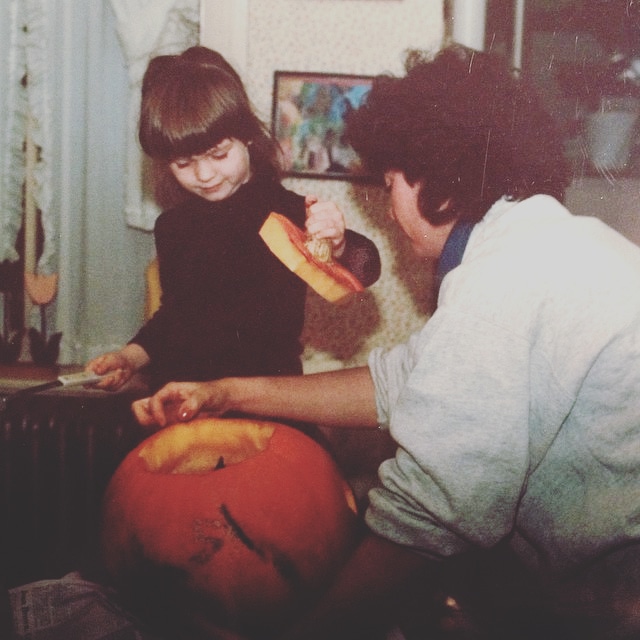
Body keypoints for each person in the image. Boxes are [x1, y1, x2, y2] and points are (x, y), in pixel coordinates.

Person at [131, 45, 640, 639]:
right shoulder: (539, 244)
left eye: (391, 182)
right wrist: (228, 392)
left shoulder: (503, 280)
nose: (392, 206)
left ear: (435, 181)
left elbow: (428, 514)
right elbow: (400, 382)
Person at [86, 46, 380, 392]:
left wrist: (339, 243)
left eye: (219, 155)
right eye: (184, 163)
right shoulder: (173, 227)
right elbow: (175, 318)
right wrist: (129, 358)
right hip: (186, 396)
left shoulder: (288, 211)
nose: (205, 174)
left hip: (269, 400)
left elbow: (366, 268)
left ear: (247, 137)